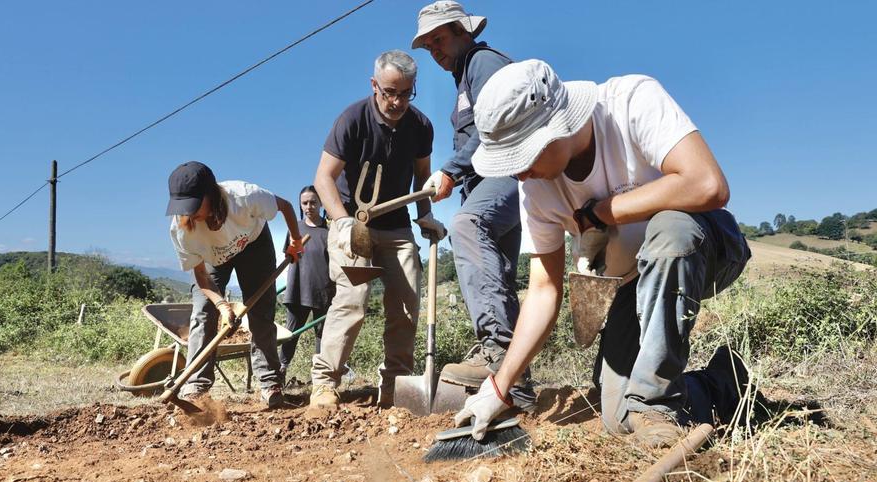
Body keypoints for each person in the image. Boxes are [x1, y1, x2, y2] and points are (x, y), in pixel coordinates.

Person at [455, 60, 753, 447]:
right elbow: (544, 290)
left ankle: (655, 402)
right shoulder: (538, 190)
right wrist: (499, 387)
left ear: (557, 126)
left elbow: (707, 184)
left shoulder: (630, 102)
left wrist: (600, 212)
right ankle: (722, 382)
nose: (519, 174)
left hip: (706, 247)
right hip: (634, 279)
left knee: (671, 230)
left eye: (522, 157)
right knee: (617, 416)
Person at [411, 0, 535, 409]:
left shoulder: (482, 62)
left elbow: (494, 125)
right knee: (497, 274)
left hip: (510, 172)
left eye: (439, 40)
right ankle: (518, 390)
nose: (435, 51)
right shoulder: (464, 76)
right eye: (428, 46)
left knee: (466, 225)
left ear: (463, 31)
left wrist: (450, 170)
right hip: (490, 181)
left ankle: (496, 350)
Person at [309, 50, 446, 410]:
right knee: (352, 301)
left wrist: (425, 214)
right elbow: (323, 178)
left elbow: (422, 178)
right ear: (374, 86)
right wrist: (340, 223)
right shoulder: (352, 119)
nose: (397, 101)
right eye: (389, 92)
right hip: (353, 225)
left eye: (405, 93)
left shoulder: (421, 126)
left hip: (398, 227)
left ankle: (397, 385)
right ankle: (325, 383)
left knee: (405, 304)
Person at [166, 161, 305, 409]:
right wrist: (221, 305)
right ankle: (196, 386)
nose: (189, 214)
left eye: (195, 205)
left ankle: (269, 382)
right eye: (183, 207)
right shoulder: (181, 229)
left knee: (261, 311)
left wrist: (295, 241)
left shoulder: (243, 196)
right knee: (202, 314)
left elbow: (285, 206)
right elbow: (201, 276)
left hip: (253, 245)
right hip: (212, 261)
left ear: (212, 194)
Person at [278, 185, 333, 385]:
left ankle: (319, 378)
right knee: (290, 334)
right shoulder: (296, 228)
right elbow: (289, 258)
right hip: (298, 289)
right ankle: (280, 372)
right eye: (304, 203)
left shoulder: (329, 230)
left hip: (323, 291)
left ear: (320, 204)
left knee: (322, 335)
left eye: (313, 202)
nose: (309, 206)